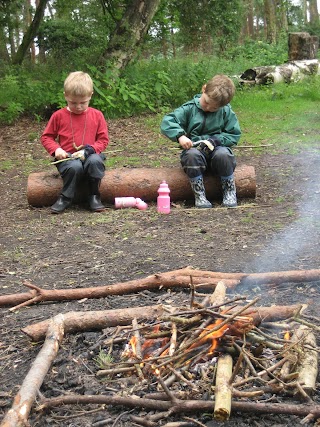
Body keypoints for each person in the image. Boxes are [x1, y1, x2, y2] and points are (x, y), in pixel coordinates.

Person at [160, 74, 241, 208]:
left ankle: (229, 191)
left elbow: (234, 134)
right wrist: (180, 136)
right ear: (204, 90)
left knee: (224, 155)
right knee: (192, 155)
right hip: (195, 150)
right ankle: (199, 194)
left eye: (214, 108)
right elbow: (167, 121)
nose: (208, 108)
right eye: (207, 102)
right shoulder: (189, 108)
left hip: (218, 149)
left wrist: (217, 140)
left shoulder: (226, 111)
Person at [41, 71, 109, 214]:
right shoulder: (58, 116)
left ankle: (94, 195)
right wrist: (56, 150)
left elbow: (103, 140)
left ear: (90, 95)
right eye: (73, 102)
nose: (78, 107)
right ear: (66, 95)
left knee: (95, 162)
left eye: (83, 103)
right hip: (67, 157)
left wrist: (88, 151)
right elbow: (47, 137)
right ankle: (65, 197)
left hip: (90, 154)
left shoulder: (97, 115)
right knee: (74, 166)